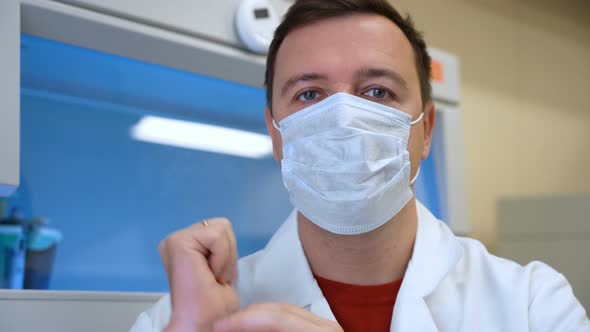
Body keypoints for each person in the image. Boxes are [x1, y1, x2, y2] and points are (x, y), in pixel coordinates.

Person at [131, 0, 590, 331]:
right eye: (309, 95)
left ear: (425, 128)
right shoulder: (181, 318)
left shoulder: (532, 304)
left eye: (377, 92)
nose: (344, 120)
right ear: (276, 135)